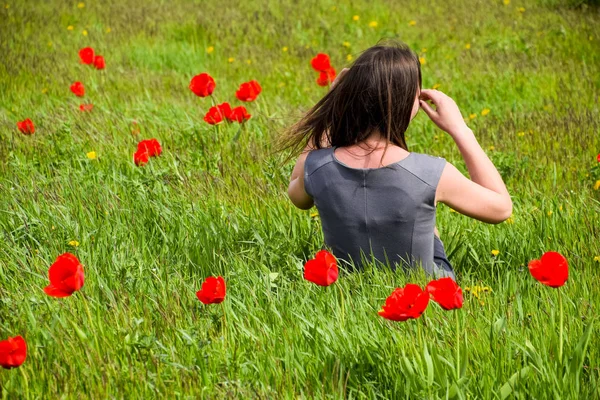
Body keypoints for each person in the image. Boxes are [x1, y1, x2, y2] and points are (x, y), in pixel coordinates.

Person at [278, 40, 512, 279]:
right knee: (426, 222)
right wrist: (460, 130)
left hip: (346, 290)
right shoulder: (431, 172)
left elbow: (297, 195)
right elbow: (501, 208)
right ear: (408, 104)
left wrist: (331, 111)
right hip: (423, 294)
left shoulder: (316, 167)